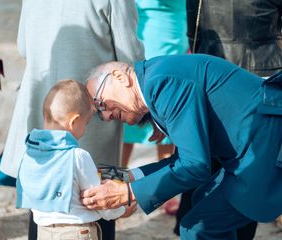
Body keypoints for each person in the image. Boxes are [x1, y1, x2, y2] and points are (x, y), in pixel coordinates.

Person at [81, 54, 282, 240]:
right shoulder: (155, 79)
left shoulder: (161, 83)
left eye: (101, 104)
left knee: (199, 226)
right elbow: (184, 160)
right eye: (99, 114)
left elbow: (195, 165)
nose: (106, 116)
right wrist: (126, 177)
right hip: (253, 146)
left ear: (120, 77)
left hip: (268, 146)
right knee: (202, 202)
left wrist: (129, 192)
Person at [0, 1, 144, 239]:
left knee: (43, 202)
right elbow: (129, 57)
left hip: (44, 101)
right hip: (92, 108)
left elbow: (24, 46)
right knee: (98, 196)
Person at [176, 1, 282, 237]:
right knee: (250, 171)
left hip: (209, 75)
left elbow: (192, 32)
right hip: (262, 77)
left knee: (202, 162)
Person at [16, 80, 135, 240]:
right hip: (76, 233)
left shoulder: (30, 152)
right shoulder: (78, 156)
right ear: (73, 122)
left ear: (45, 115)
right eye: (85, 123)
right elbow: (96, 199)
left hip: (43, 232)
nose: (85, 130)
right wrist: (122, 211)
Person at [122, 0, 188, 167]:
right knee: (129, 121)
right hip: (146, 49)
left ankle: (166, 188)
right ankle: (114, 183)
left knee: (167, 129)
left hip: (171, 48)